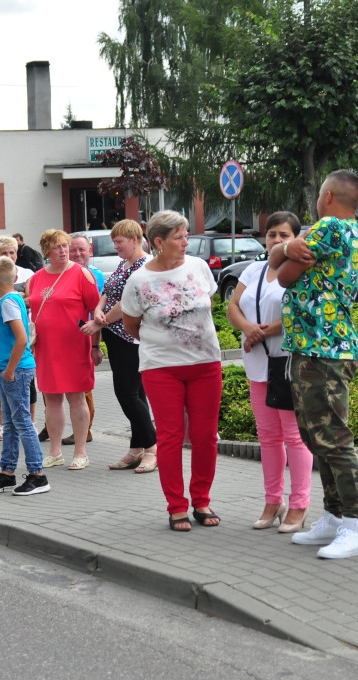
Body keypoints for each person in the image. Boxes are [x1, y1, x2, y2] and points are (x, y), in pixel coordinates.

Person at [271, 169, 358, 559]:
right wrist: (285, 248)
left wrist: (283, 252)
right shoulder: (348, 231)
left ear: (327, 196)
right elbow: (282, 258)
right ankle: (334, 515)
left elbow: (282, 276)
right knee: (317, 437)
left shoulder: (329, 226)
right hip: (317, 348)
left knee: (333, 439)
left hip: (324, 351)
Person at [121, 210, 222, 532]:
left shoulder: (199, 267)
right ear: (159, 242)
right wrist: (162, 344)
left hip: (206, 363)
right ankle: (176, 506)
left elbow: (208, 305)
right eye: (180, 236)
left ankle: (201, 500)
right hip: (162, 368)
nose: (186, 241)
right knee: (170, 436)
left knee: (206, 436)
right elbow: (131, 325)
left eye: (186, 234)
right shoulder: (138, 280)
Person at [226, 212, 313, 532]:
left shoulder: (300, 269)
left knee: (294, 437)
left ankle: (300, 504)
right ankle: (273, 500)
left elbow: (303, 312)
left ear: (296, 238)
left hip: (286, 361)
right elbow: (233, 306)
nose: (277, 240)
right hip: (257, 363)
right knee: (268, 437)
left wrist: (264, 331)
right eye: (272, 234)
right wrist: (249, 328)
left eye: (284, 235)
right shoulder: (254, 268)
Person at [82, 219, 157, 473]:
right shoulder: (124, 264)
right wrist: (98, 310)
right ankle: (137, 448)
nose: (116, 247)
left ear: (134, 239)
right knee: (135, 394)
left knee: (127, 394)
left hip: (130, 337)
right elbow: (108, 291)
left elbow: (127, 301)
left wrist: (98, 323)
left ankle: (152, 447)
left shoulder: (143, 265)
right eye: (115, 242)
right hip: (115, 334)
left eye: (119, 242)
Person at [27, 229, 100, 470]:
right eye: (57, 246)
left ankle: (81, 451)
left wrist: (96, 345)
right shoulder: (37, 277)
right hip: (46, 347)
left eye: (65, 245)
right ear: (46, 250)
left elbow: (96, 311)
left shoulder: (82, 274)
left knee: (76, 397)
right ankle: (55, 451)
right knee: (52, 398)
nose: (63, 250)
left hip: (74, 345)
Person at [0, 255, 50, 496]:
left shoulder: (8, 303)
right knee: (10, 423)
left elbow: (21, 338)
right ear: (17, 278)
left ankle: (37, 475)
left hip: (15, 370)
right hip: (11, 368)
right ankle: (7, 473)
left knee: (21, 422)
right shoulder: (12, 299)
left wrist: (9, 369)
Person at [0, 235, 35, 441]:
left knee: (23, 390)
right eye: (4, 253)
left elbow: (33, 299)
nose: (9, 256)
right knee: (0, 386)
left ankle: (31, 426)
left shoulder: (27, 274)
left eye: (12, 252)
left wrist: (6, 296)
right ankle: (2, 424)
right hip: (0, 338)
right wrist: (19, 295)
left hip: (21, 346)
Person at [60, 233, 105, 446]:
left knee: (82, 388)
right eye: (73, 250)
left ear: (90, 251)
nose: (77, 254)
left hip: (85, 337)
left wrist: (95, 345)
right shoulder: (64, 272)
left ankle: (85, 429)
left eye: (81, 250)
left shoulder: (93, 275)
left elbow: (97, 313)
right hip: (64, 340)